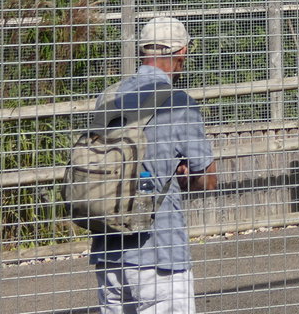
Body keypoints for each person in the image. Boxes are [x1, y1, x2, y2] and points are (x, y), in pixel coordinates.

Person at [91, 16, 217, 314]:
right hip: (160, 255)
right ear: (181, 53)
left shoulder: (107, 97)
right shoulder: (178, 102)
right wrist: (182, 174)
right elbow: (207, 179)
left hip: (108, 253)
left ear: (143, 51)